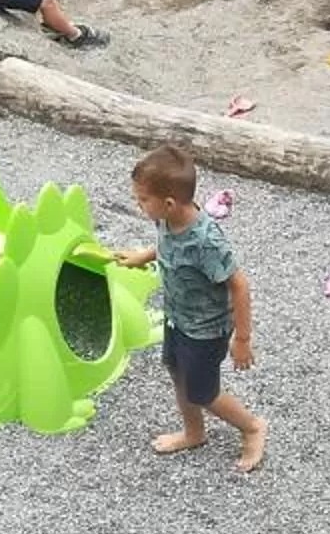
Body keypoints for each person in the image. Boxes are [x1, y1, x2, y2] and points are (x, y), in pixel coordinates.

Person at [111, 145, 266, 473]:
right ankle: (194, 432)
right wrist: (144, 255)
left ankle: (252, 427)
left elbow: (239, 284)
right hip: (178, 319)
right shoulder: (168, 219)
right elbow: (169, 245)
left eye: (142, 200)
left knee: (204, 393)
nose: (139, 206)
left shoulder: (206, 241)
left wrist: (242, 339)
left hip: (206, 331)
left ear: (168, 203)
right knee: (177, 372)